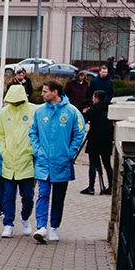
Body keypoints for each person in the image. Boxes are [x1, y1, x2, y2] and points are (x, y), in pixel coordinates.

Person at [30, 78, 88, 243]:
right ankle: (41, 227)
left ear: (55, 92)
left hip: (62, 162)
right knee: (43, 194)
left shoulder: (71, 112)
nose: (42, 94)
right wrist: (38, 150)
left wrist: (70, 153)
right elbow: (33, 132)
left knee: (58, 197)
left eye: (45, 91)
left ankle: (54, 226)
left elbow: (79, 133)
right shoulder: (40, 112)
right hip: (43, 161)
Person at [0, 78, 39, 238]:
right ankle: (8, 223)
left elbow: (38, 133)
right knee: (8, 196)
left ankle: (25, 218)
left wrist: (32, 150)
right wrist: (4, 151)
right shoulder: (3, 113)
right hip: (9, 162)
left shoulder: (34, 111)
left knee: (27, 195)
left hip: (27, 161)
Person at [81, 68, 114, 194]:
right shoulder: (109, 109)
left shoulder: (93, 109)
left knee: (93, 164)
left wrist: (86, 112)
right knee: (107, 165)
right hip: (106, 140)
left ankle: (91, 187)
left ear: (96, 98)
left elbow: (84, 121)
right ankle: (110, 187)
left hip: (94, 139)